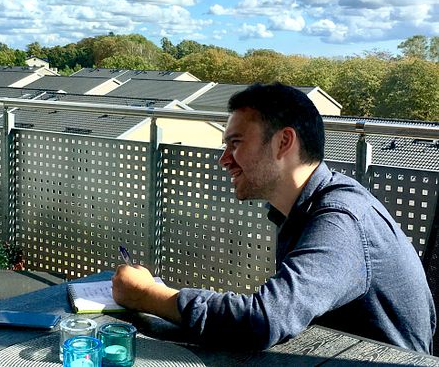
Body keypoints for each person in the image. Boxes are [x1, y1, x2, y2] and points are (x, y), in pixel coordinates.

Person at [112, 82, 436, 353]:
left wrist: (147, 295)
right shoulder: (303, 209)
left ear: (283, 142)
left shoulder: (341, 218)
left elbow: (262, 320)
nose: (224, 160)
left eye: (235, 143)